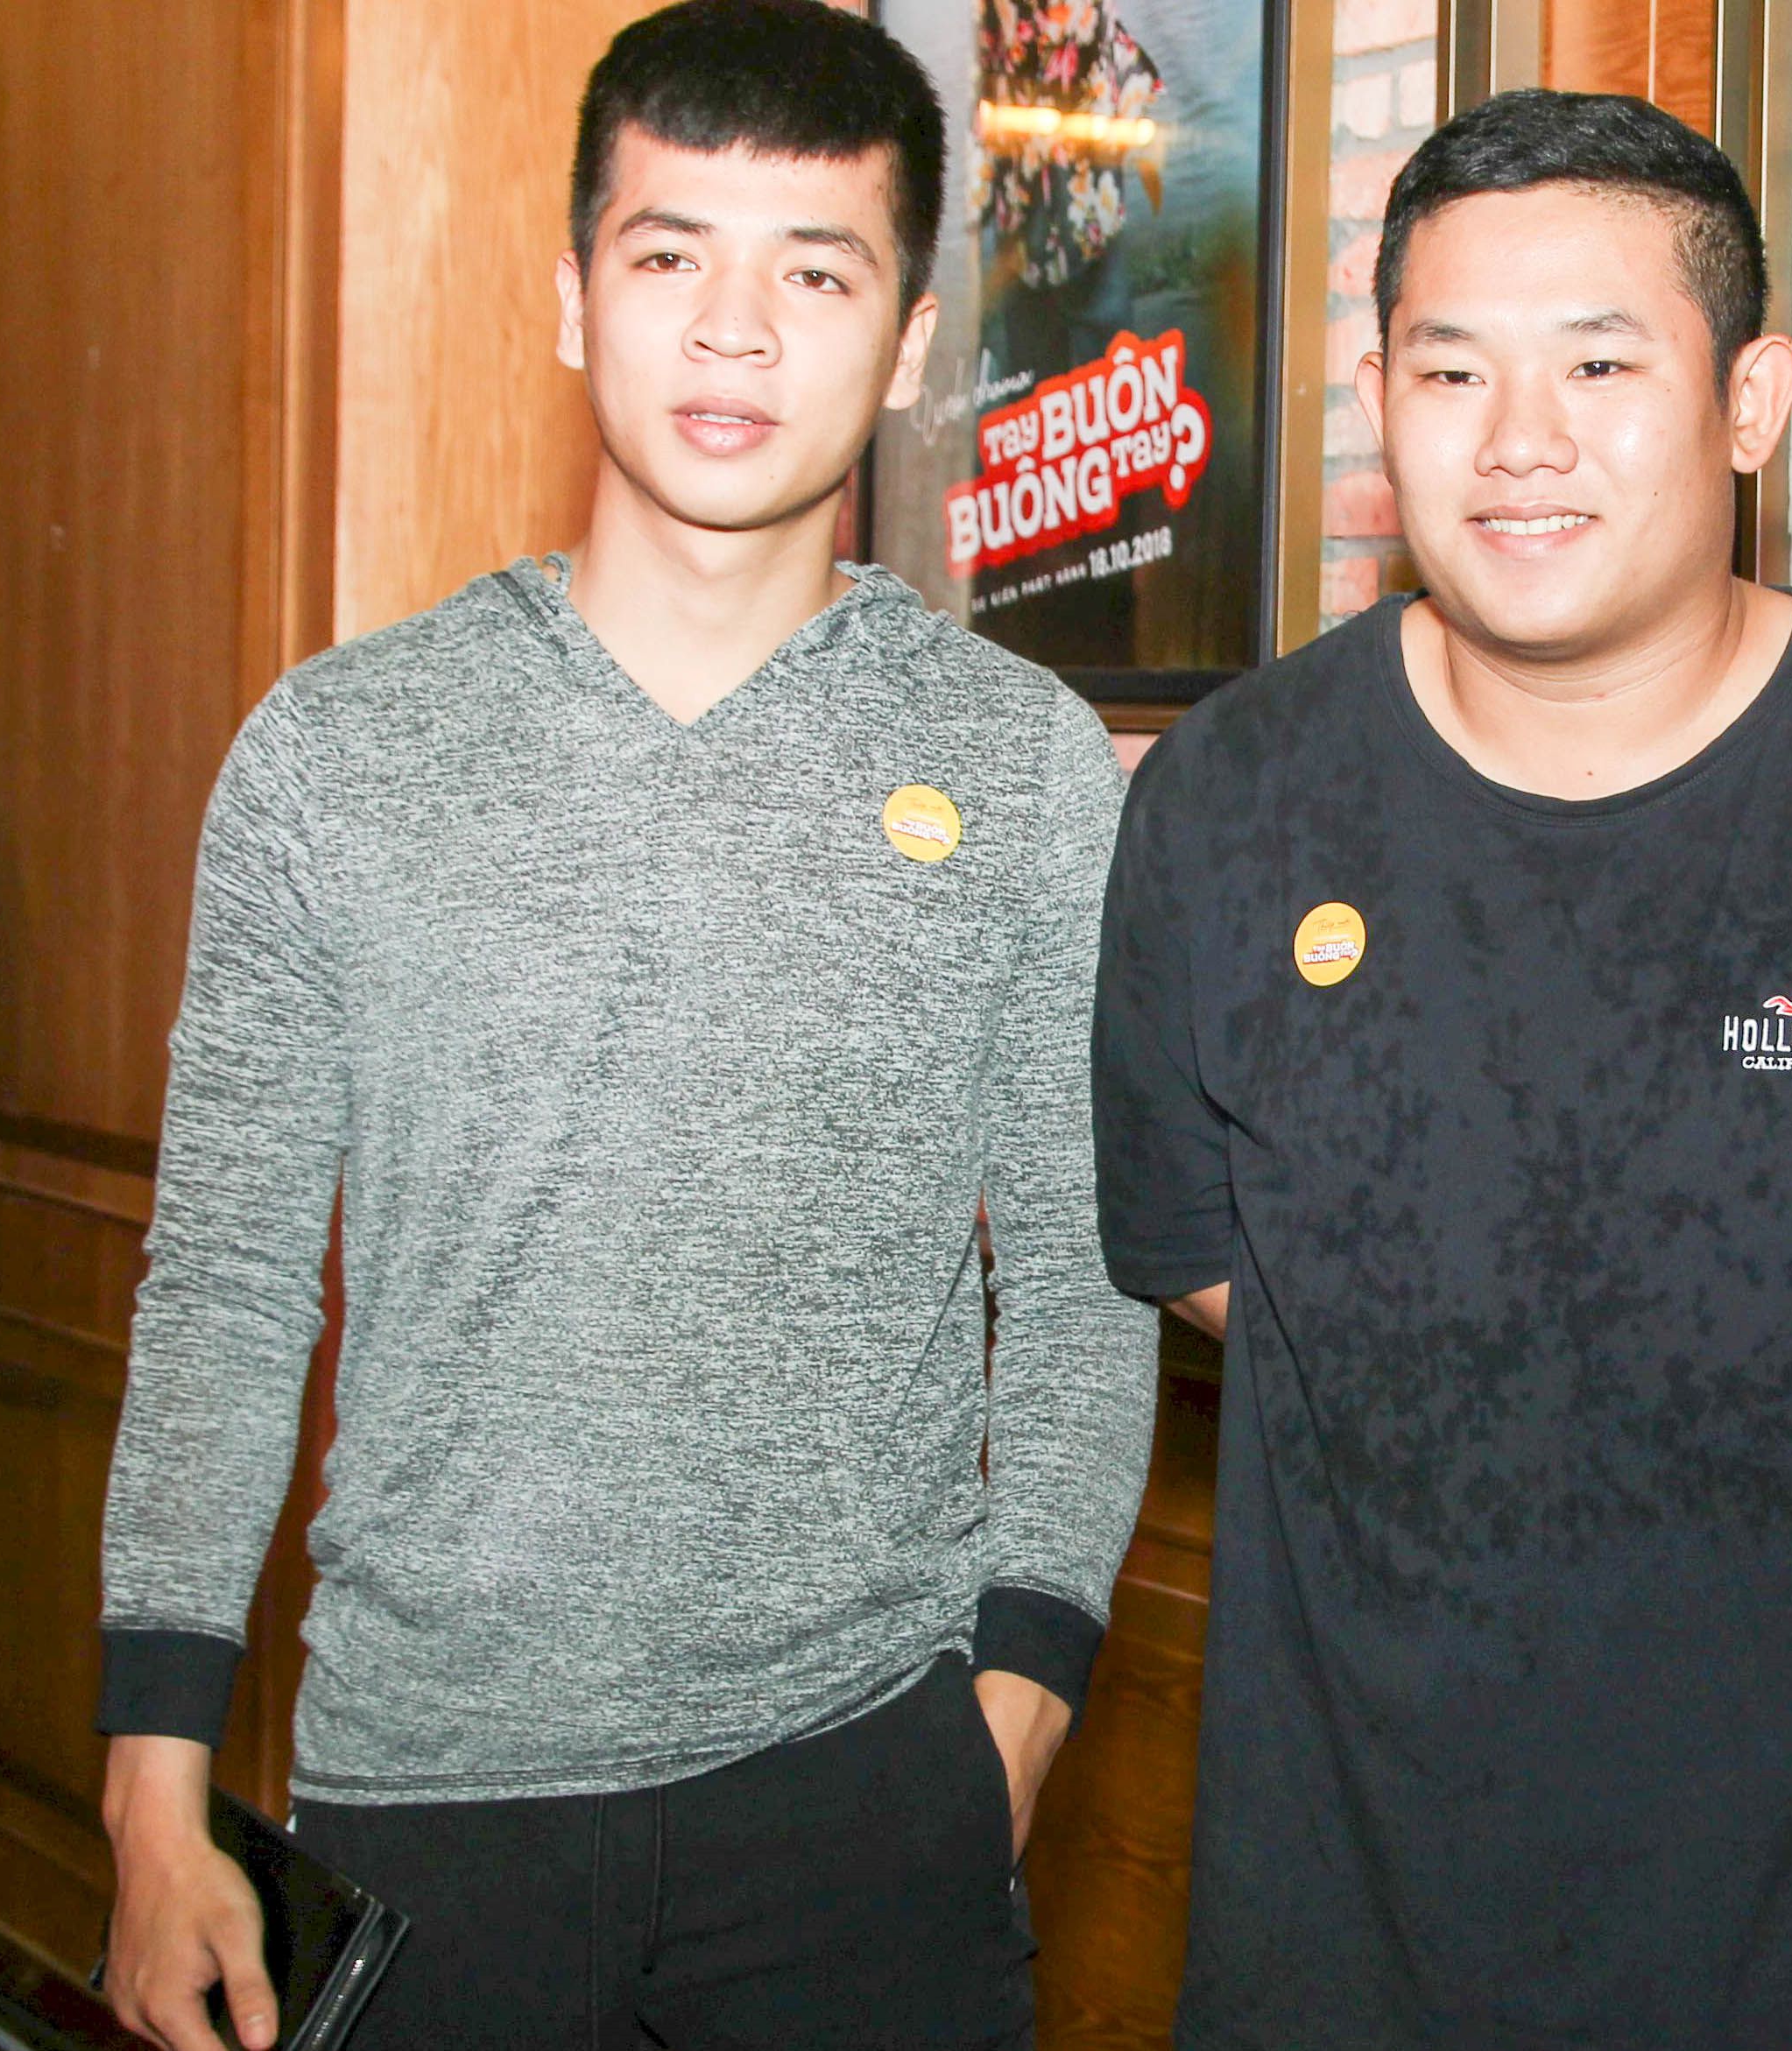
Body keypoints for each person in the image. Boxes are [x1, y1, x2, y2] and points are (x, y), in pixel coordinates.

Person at [89, 5, 1153, 2046]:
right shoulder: (335, 752)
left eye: (814, 272)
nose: (732, 332)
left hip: (868, 1794)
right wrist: (153, 1791)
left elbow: (1078, 1277)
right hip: (431, 1800)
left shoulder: (1019, 767)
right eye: (670, 255)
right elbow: (223, 1278)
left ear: (910, 342)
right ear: (573, 298)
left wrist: (1015, 1710)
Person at [1090, 88, 1792, 2049]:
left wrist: (1775, 1443)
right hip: (1339, 1944)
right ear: (1376, 402)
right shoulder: (1223, 801)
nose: (1519, 440)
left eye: (1597, 363)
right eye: (1450, 370)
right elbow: (1210, 1259)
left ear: (1750, 402)